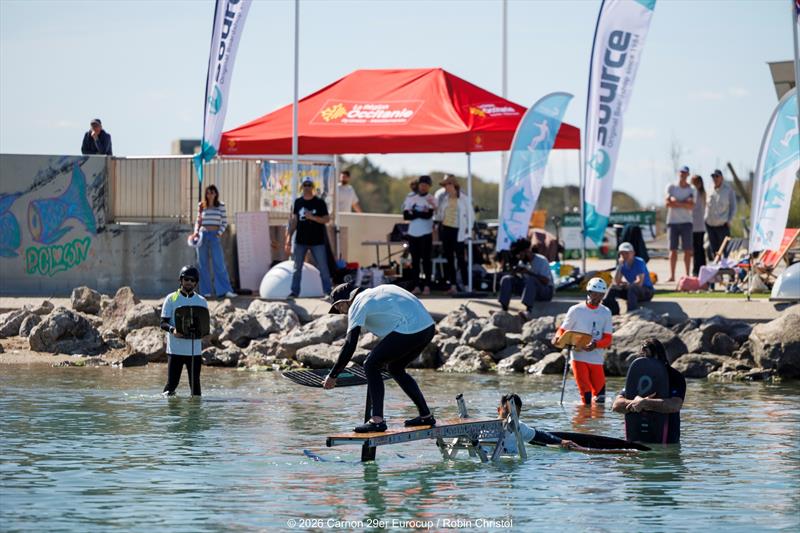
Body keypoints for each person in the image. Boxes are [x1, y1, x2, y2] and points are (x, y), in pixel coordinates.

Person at [323, 282, 436, 433]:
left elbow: (350, 344)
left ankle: (377, 420)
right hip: (428, 327)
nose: (341, 312)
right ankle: (425, 415)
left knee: (370, 364)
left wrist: (333, 374)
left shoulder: (357, 303)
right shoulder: (379, 291)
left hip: (411, 328)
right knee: (395, 368)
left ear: (345, 301)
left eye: (338, 307)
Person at [612, 338, 686, 444]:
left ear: (660, 355)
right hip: (637, 442)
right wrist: (635, 404)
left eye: (650, 356)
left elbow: (675, 405)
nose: (647, 360)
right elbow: (616, 405)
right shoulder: (637, 374)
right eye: (644, 356)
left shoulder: (675, 377)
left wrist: (645, 403)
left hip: (667, 444)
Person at [553, 278, 613, 405]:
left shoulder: (606, 312)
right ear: (589, 292)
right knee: (586, 398)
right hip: (578, 358)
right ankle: (583, 423)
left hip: (597, 359)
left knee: (601, 399)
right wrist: (557, 337)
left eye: (601, 295)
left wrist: (595, 344)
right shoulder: (576, 310)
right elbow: (562, 330)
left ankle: (597, 424)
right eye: (595, 294)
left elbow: (608, 339)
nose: (597, 298)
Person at [160, 266, 208, 396]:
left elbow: (205, 326)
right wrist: (173, 330)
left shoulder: (202, 301)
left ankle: (195, 415)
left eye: (192, 280)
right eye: (186, 279)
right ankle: (170, 413)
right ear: (181, 280)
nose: (189, 282)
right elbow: (163, 323)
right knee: (171, 386)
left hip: (194, 351)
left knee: (195, 388)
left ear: (196, 283)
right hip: (175, 350)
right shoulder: (171, 298)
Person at [285, 176, 333, 298]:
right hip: (300, 240)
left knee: (323, 268)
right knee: (297, 268)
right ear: (302, 187)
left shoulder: (319, 202)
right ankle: (294, 292)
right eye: (305, 185)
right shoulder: (298, 202)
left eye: (309, 185)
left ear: (313, 187)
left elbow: (327, 219)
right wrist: (288, 238)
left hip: (317, 241)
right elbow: (294, 221)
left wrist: (312, 217)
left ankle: (328, 291)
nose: (307, 187)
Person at [494, 393, 585, 454]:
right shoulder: (485, 428)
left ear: (519, 414)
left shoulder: (519, 427)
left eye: (514, 414)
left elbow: (538, 436)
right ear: (499, 410)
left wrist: (561, 441)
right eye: (506, 413)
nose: (510, 418)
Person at [191, 185, 236, 299]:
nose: (210, 194)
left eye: (212, 192)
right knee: (202, 264)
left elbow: (224, 222)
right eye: (208, 192)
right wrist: (196, 232)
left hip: (214, 235)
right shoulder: (201, 206)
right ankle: (205, 291)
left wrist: (218, 233)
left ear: (216, 194)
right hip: (203, 235)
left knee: (219, 263)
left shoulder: (221, 206)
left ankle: (225, 290)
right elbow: (198, 221)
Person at [434, 175, 474, 295]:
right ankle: (453, 285)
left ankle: (467, 285)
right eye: (445, 185)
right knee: (449, 259)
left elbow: (470, 216)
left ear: (453, 185)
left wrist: (469, 230)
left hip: (459, 231)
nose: (445, 187)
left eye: (447, 184)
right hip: (446, 230)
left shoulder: (463, 199)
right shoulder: (445, 199)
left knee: (461, 259)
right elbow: (440, 215)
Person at [497, 238, 553, 319]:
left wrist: (529, 272)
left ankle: (528, 311)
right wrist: (514, 273)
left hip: (546, 291)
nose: (519, 257)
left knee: (531, 280)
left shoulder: (541, 260)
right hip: (531, 289)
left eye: (520, 254)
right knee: (507, 279)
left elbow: (546, 281)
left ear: (526, 251)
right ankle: (503, 309)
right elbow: (521, 280)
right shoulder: (522, 262)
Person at [402, 175, 437, 295]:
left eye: (426, 185)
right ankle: (416, 285)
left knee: (426, 260)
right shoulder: (411, 197)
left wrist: (415, 213)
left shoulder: (431, 199)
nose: (423, 187)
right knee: (415, 261)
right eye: (422, 185)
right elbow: (406, 215)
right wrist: (421, 213)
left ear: (429, 187)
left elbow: (429, 215)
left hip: (426, 233)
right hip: (413, 233)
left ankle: (427, 285)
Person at [602, 242, 654, 315]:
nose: (624, 255)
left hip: (646, 291)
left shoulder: (639, 262)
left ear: (633, 253)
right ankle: (612, 312)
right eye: (622, 253)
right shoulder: (622, 264)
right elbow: (616, 282)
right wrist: (619, 266)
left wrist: (628, 285)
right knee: (613, 288)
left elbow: (639, 282)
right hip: (632, 290)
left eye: (626, 253)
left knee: (632, 288)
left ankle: (632, 313)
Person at [665, 165, 695, 282]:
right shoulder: (671, 187)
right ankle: (672, 276)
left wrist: (676, 202)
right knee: (672, 250)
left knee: (688, 250)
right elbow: (667, 203)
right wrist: (683, 203)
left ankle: (687, 274)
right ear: (678, 173)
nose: (682, 174)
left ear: (688, 174)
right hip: (672, 222)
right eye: (681, 172)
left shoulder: (691, 189)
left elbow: (691, 205)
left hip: (686, 222)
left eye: (685, 173)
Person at [705, 169, 737, 259]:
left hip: (722, 225)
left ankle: (727, 269)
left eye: (717, 176)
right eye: (713, 176)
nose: (715, 178)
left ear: (721, 178)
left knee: (726, 249)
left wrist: (729, 220)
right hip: (710, 224)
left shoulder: (728, 190)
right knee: (714, 250)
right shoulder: (709, 189)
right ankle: (717, 270)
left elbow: (733, 207)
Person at [690, 174, 707, 276]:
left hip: (700, 224)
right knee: (695, 249)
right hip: (692, 224)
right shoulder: (692, 192)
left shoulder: (702, 193)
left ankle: (701, 268)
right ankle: (696, 269)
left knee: (700, 248)